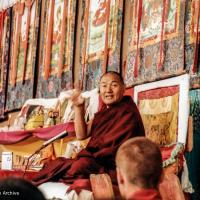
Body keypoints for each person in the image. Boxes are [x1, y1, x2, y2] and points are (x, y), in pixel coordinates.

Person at [31, 71, 145, 194]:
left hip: (117, 168)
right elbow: (82, 134)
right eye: (104, 85)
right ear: (99, 88)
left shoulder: (128, 112)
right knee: (55, 164)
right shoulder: (104, 113)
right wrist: (79, 107)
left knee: (80, 166)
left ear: (123, 88)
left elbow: (112, 151)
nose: (108, 90)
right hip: (97, 162)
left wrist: (92, 157)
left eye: (114, 85)